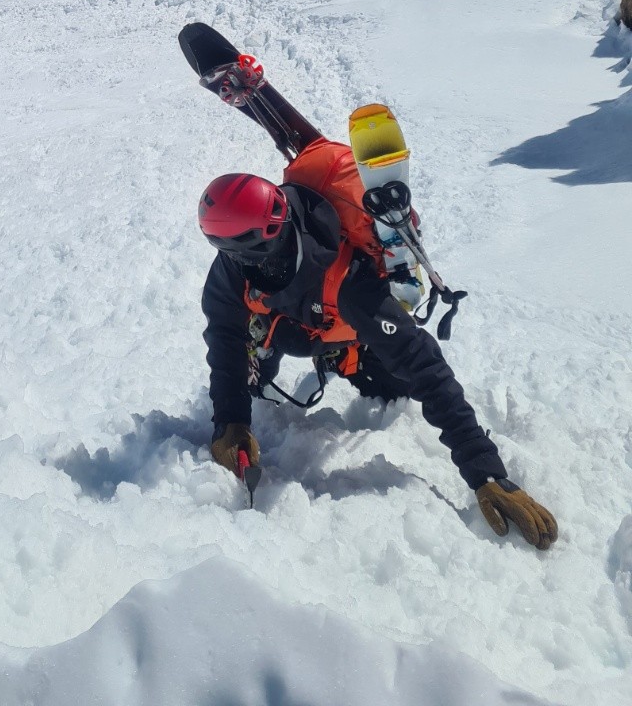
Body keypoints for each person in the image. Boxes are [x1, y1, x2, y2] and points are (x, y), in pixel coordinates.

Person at [195, 51, 558, 550]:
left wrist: (486, 472)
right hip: (294, 326)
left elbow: (425, 364)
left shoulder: (348, 281)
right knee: (250, 360)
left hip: (351, 324)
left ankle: (347, 357)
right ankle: (281, 353)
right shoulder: (233, 273)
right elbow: (224, 338)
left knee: (396, 386)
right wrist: (231, 418)